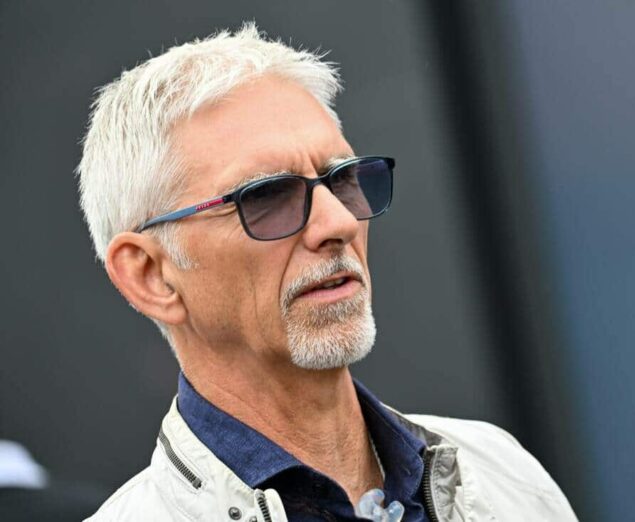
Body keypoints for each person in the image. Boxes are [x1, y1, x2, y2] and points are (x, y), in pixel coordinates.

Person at [77, 24, 577, 521]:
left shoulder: (503, 474)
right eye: (266, 196)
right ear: (150, 276)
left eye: (343, 179)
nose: (339, 223)